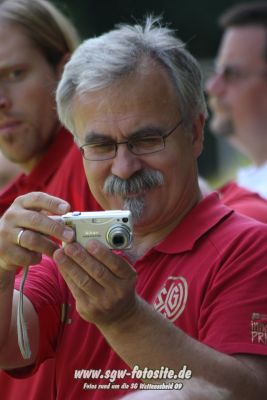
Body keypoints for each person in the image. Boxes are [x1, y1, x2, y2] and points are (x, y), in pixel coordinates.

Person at [0, 16, 267, 400]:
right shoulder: (77, 244)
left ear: (194, 133)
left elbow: (248, 391)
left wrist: (124, 319)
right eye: (102, 146)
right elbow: (10, 347)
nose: (124, 167)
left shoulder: (249, 247)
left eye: (146, 140)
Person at [0, 0, 100, 399]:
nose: (0, 99)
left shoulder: (93, 164)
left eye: (14, 74)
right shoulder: (21, 194)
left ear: (64, 71)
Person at [206, 2, 267, 213]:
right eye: (217, 70)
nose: (212, 86)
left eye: (231, 74)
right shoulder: (248, 189)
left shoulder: (256, 211)